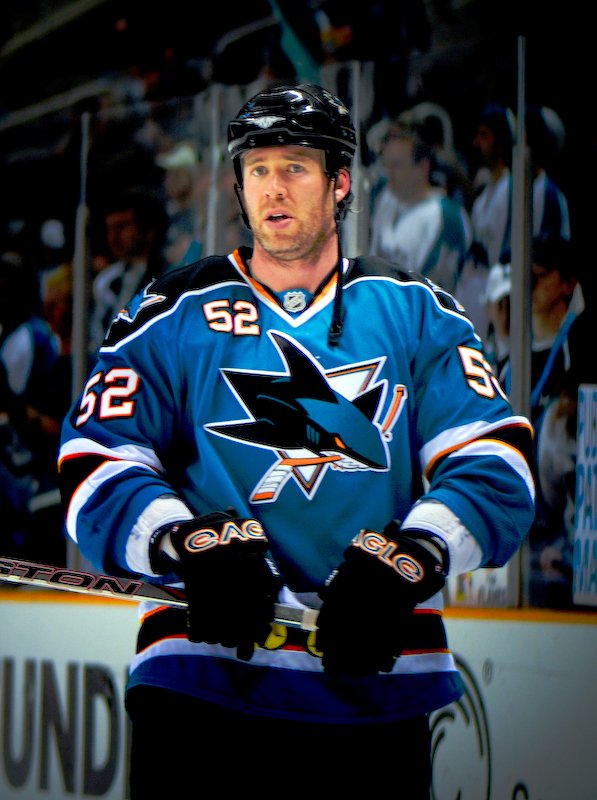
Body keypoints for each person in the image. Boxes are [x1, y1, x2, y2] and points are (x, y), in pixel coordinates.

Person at [57, 83, 535, 798]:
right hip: (200, 679)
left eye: (294, 168)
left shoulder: (417, 311)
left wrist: (415, 557)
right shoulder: (171, 311)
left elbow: (495, 467)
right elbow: (96, 460)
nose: (272, 188)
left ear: (340, 183)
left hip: (374, 685)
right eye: (257, 169)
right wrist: (183, 543)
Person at [369, 117, 473, 295]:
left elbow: (439, 289)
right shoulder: (386, 201)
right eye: (387, 165)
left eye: (397, 165)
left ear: (423, 167)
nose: (389, 174)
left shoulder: (447, 215)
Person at [88, 189, 169, 354]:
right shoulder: (107, 280)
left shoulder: (169, 275)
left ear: (149, 231)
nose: (113, 238)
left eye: (122, 227)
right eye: (109, 229)